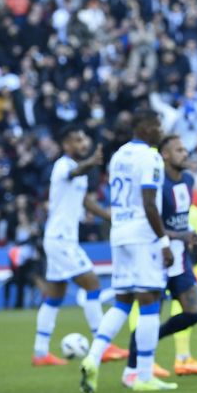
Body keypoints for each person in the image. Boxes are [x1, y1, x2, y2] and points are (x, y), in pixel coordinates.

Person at [79, 110, 176, 393]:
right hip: (143, 236)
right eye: (156, 125)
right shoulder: (151, 157)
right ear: (144, 127)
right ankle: (143, 376)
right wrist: (164, 242)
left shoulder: (119, 155)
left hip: (119, 233)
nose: (160, 130)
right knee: (149, 303)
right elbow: (149, 203)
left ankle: (93, 356)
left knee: (122, 301)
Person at [122, 134, 197, 389]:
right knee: (150, 313)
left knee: (194, 313)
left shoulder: (188, 179)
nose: (185, 153)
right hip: (156, 255)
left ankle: (152, 340)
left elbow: (179, 219)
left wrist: (186, 235)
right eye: (179, 150)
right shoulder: (156, 183)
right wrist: (177, 235)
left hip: (180, 258)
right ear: (164, 155)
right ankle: (133, 367)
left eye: (185, 149)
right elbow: (149, 221)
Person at [32, 126, 126, 366]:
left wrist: (108, 216)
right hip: (61, 239)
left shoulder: (80, 172)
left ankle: (41, 353)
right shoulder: (63, 166)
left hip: (60, 239)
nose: (83, 143)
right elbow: (75, 173)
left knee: (55, 294)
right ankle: (101, 345)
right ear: (66, 146)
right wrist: (93, 161)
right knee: (92, 283)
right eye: (77, 140)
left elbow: (84, 200)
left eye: (84, 138)